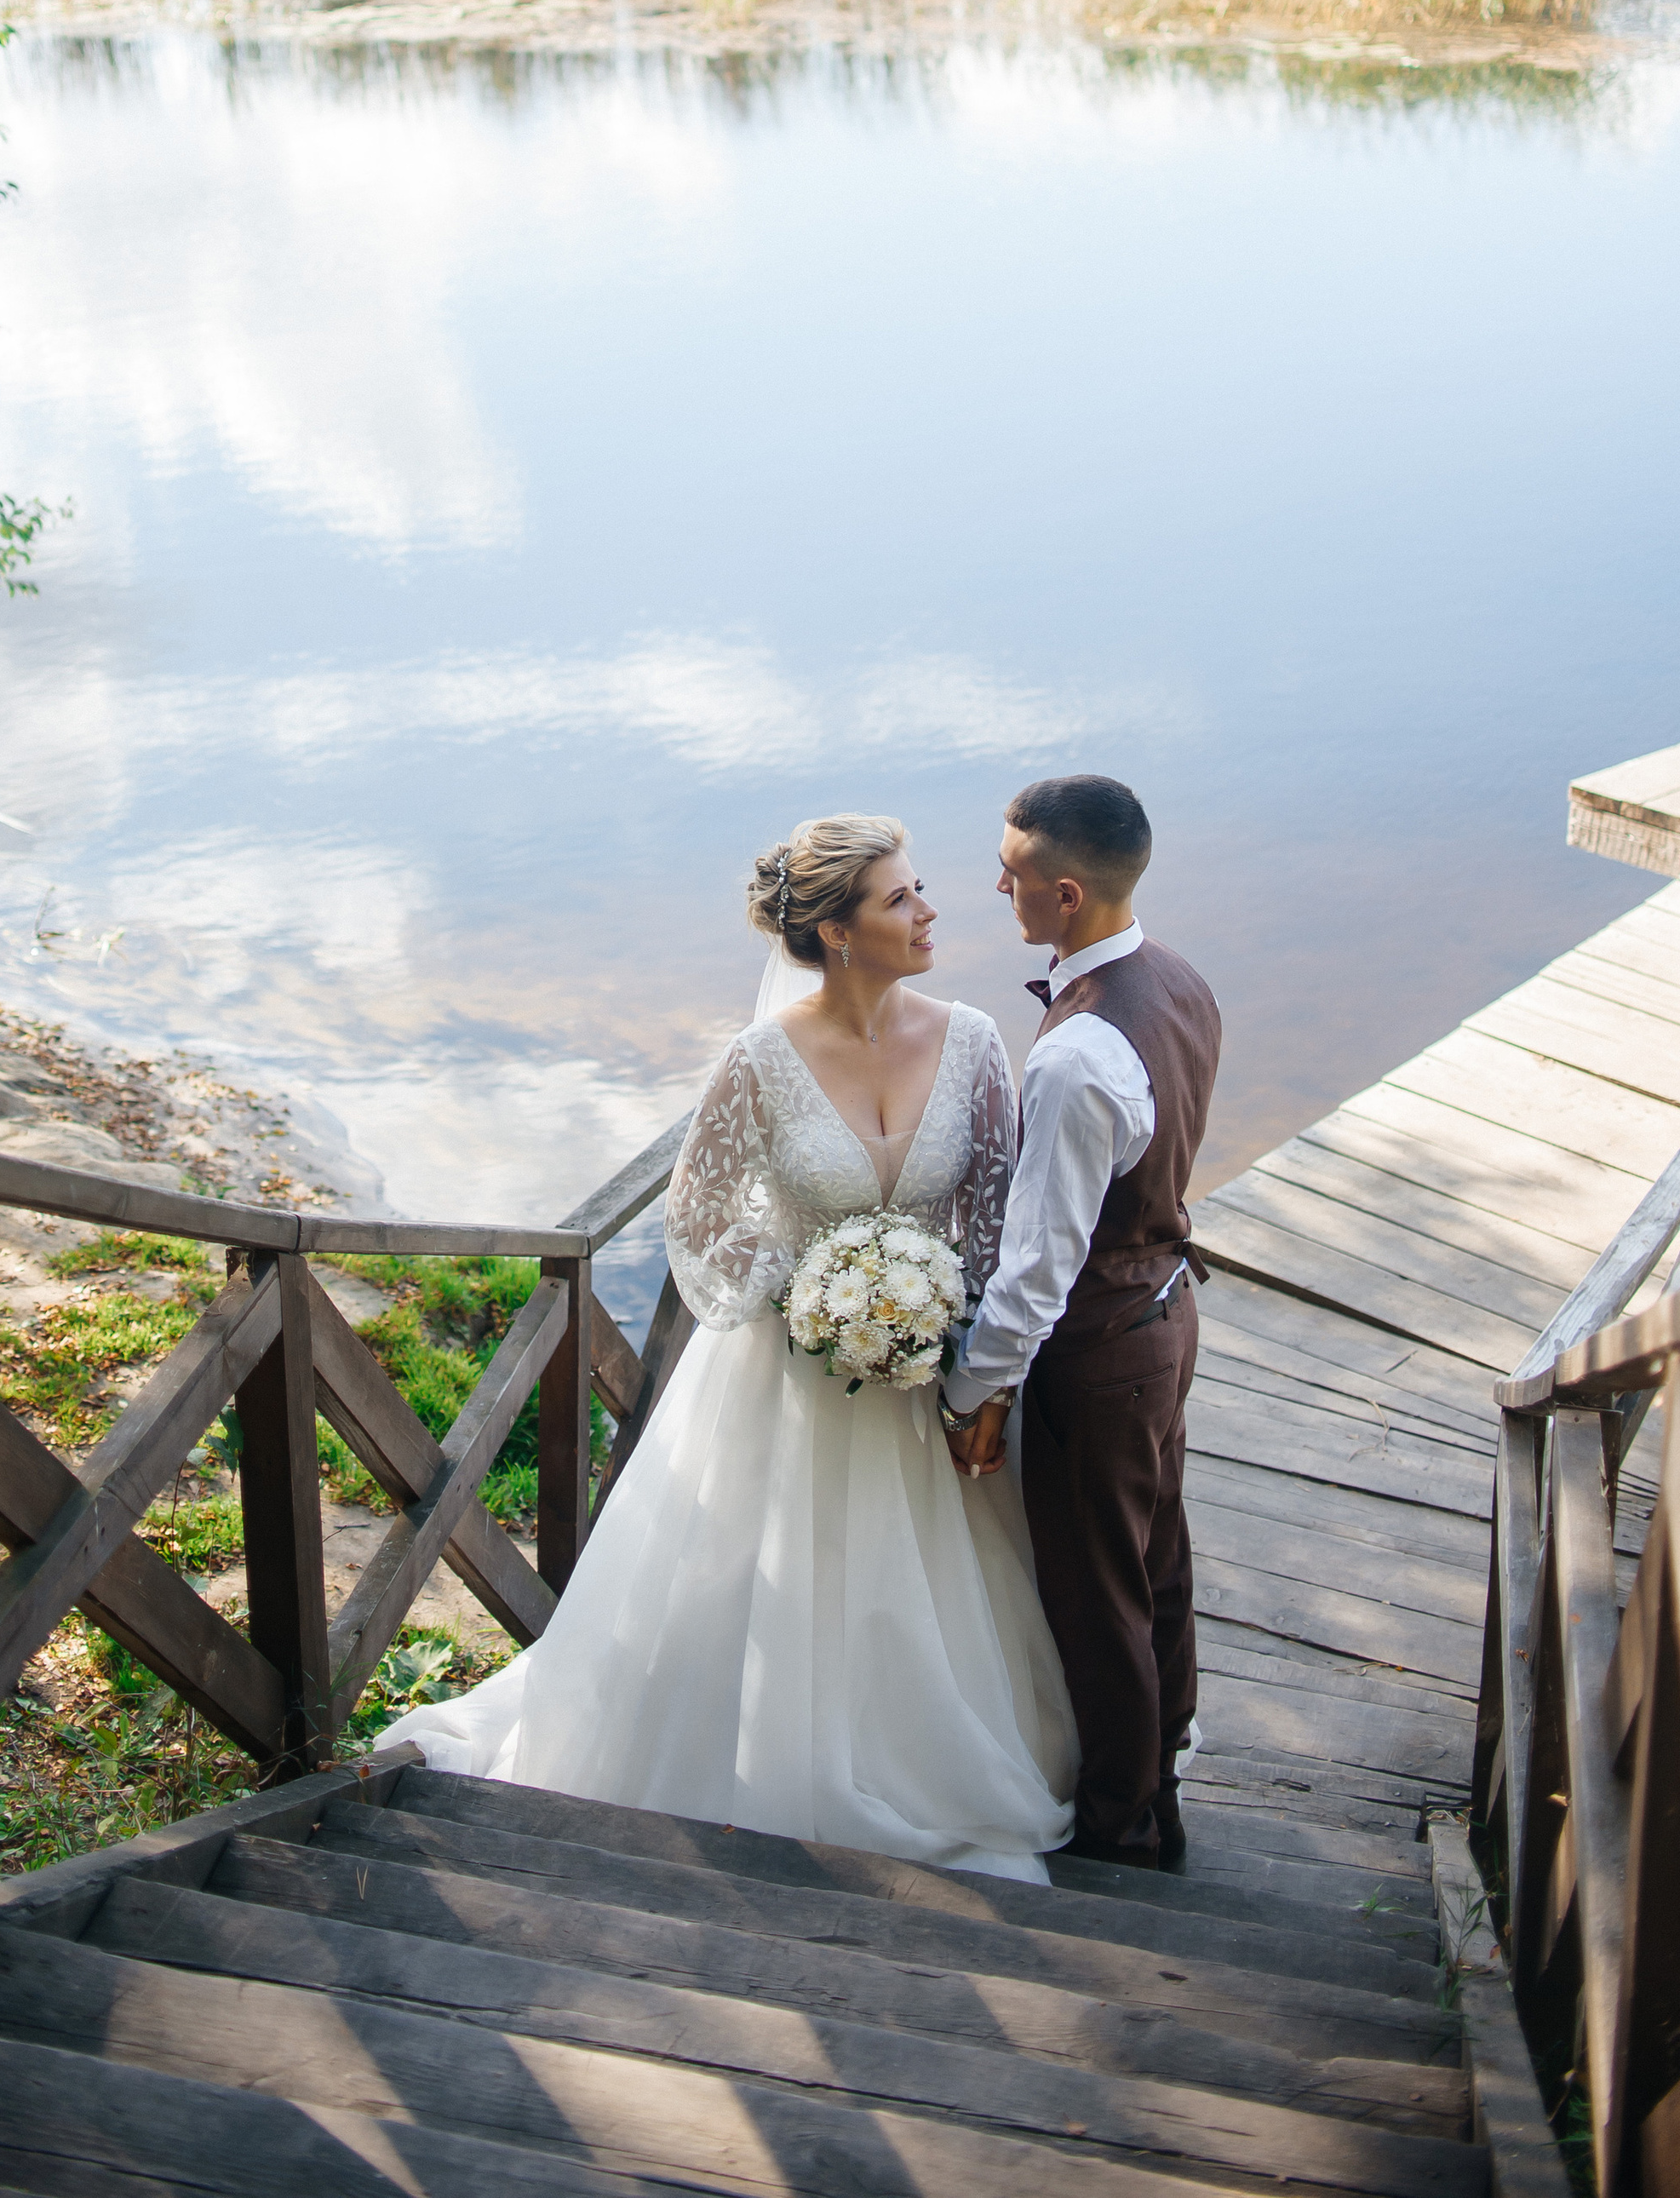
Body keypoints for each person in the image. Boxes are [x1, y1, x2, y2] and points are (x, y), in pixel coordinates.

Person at [381, 812, 1077, 1879]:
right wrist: (811, 1299)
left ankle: (917, 1753)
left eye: (921, 887)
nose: (931, 910)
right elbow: (698, 1220)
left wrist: (944, 1331)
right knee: (778, 1574)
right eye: (900, 898)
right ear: (838, 933)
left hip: (924, 1375)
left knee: (928, 1585)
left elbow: (993, 1213)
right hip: (785, 1377)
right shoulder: (758, 1060)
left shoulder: (975, 1041)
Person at [940, 775, 1220, 1874]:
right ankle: (1164, 1777)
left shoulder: (1073, 1054)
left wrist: (979, 1391)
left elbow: (1037, 1266)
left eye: (1008, 872)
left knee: (1097, 1596)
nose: (993, 885)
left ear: (1063, 894)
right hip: (1166, 1314)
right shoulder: (1179, 978)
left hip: (1100, 1351)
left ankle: (1121, 1829)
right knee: (1156, 1565)